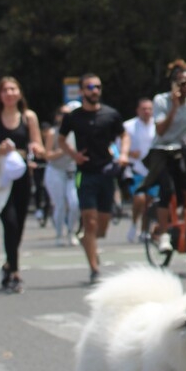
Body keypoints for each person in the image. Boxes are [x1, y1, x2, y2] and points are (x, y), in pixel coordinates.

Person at [58, 73, 129, 284]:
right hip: (85, 174)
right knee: (89, 221)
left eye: (97, 87)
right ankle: (94, 269)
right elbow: (61, 140)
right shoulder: (73, 117)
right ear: (81, 91)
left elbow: (123, 135)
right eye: (90, 87)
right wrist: (74, 156)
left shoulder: (111, 115)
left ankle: (89, 243)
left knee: (102, 227)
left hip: (107, 173)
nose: (94, 90)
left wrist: (123, 154)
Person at [0, 77, 45, 293]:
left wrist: (33, 149)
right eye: (5, 90)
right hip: (1, 178)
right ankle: (15, 272)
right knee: (10, 222)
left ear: (19, 93)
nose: (9, 93)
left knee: (20, 224)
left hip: (22, 175)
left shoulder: (28, 117)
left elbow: (38, 145)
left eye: (13, 89)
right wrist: (0, 149)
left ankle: (9, 264)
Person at [150, 60, 186, 253]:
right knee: (166, 190)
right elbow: (160, 130)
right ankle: (163, 235)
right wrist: (174, 107)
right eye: (183, 84)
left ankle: (184, 227)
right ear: (174, 84)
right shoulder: (161, 101)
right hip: (161, 150)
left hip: (181, 150)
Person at [43, 105, 79, 246]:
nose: (65, 117)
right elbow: (47, 155)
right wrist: (64, 150)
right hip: (55, 171)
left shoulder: (76, 132)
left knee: (74, 203)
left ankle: (71, 232)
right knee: (60, 205)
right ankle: (59, 234)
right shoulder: (53, 133)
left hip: (72, 171)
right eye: (62, 114)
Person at [123, 97, 157, 243]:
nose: (147, 112)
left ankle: (144, 231)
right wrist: (129, 154)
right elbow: (117, 148)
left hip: (153, 170)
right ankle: (133, 223)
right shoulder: (128, 126)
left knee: (149, 202)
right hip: (135, 170)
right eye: (144, 109)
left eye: (149, 109)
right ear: (138, 110)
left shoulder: (157, 125)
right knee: (139, 199)